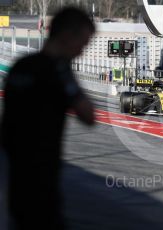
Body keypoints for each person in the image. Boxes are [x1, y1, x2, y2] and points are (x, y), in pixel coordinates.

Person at [1, 7, 95, 230]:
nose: (81, 51)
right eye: (82, 44)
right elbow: (88, 116)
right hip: (41, 181)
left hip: (12, 177)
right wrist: (67, 76)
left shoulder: (20, 67)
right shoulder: (58, 72)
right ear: (66, 36)